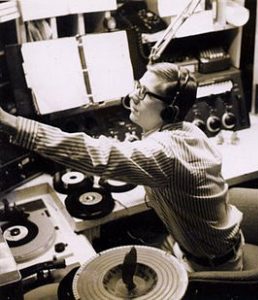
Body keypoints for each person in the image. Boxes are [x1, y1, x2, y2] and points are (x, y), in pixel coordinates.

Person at [0, 62, 243, 272]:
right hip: (195, 246)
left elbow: (96, 155)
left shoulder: (165, 152)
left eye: (145, 94)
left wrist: (9, 122)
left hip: (213, 266)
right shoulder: (187, 130)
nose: (133, 97)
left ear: (170, 111)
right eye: (138, 86)